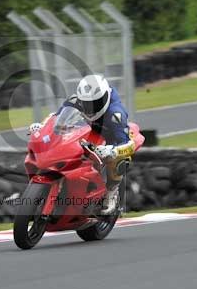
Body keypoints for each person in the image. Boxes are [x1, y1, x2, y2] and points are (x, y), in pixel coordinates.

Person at [29, 74, 136, 215]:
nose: (91, 108)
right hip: (87, 128)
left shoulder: (116, 114)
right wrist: (42, 127)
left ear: (104, 98)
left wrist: (113, 151)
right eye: (87, 104)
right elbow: (55, 117)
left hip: (110, 134)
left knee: (120, 160)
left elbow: (129, 145)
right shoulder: (76, 100)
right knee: (63, 133)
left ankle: (111, 193)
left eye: (95, 103)